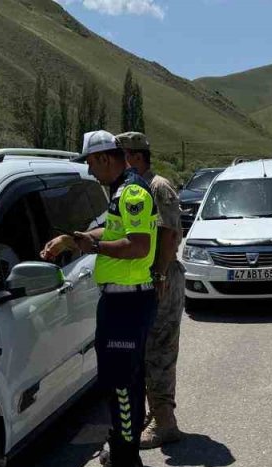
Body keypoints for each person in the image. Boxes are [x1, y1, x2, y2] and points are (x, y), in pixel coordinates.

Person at [40, 130, 158, 467]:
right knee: (127, 383)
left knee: (120, 386)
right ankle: (129, 455)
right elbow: (115, 227)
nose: (90, 172)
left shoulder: (133, 192)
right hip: (123, 300)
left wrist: (90, 246)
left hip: (128, 302)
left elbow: (138, 246)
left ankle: (121, 465)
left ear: (105, 159)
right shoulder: (123, 190)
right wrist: (81, 237)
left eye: (91, 164)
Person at [116, 131, 186, 450]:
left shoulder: (158, 186)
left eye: (122, 155)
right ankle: (154, 414)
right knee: (145, 352)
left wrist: (158, 275)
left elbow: (171, 234)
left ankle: (165, 423)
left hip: (163, 278)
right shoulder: (133, 188)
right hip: (146, 279)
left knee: (159, 350)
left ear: (136, 156)